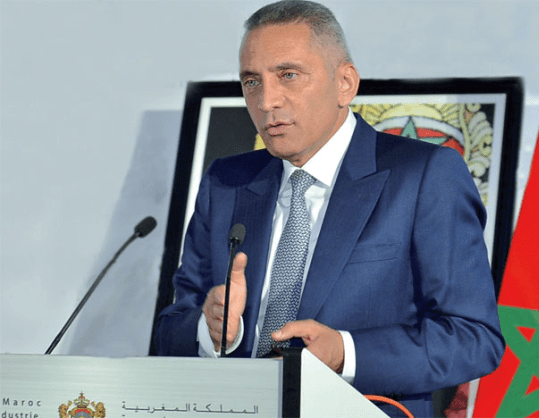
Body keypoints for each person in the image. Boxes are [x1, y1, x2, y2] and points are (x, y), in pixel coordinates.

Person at [154, 1, 504, 416]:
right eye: (251, 81)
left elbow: (473, 339)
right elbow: (170, 329)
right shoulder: (226, 182)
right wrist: (208, 329)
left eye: (288, 75)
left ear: (345, 83)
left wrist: (345, 352)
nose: (266, 101)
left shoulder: (425, 176)